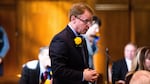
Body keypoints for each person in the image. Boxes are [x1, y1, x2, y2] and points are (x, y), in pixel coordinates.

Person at [49, 3, 99, 84]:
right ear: (73, 19)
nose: (89, 26)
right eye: (86, 21)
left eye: (90, 22)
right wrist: (82, 75)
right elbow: (58, 71)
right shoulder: (60, 39)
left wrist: (90, 74)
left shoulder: (82, 39)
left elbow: (81, 66)